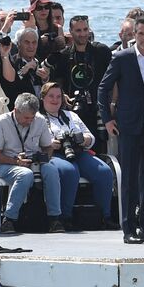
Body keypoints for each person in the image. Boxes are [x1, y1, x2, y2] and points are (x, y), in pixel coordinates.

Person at [98, 15, 144, 244]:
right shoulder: (122, 58)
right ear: (134, 35)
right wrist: (108, 120)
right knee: (128, 178)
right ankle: (128, 229)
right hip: (128, 125)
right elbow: (103, 88)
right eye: (141, 34)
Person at [39, 82, 114, 229]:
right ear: (42, 98)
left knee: (104, 172)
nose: (55, 100)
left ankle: (104, 216)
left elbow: (91, 138)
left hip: (78, 151)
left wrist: (84, 139)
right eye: (51, 96)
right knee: (70, 171)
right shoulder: (37, 118)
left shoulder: (71, 115)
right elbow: (33, 142)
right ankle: (65, 217)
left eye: (58, 97)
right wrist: (50, 144)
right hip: (55, 153)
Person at [0, 92, 61, 234]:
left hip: (33, 162)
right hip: (7, 163)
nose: (29, 121)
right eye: (26, 118)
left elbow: (48, 147)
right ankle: (9, 219)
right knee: (25, 174)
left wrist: (43, 158)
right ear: (16, 110)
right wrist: (16, 161)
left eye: (32, 118)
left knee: (51, 170)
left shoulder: (39, 120)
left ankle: (55, 218)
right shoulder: (2, 122)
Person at [49, 14, 112, 153]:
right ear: (70, 32)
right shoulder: (64, 56)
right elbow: (55, 82)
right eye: (78, 30)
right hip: (74, 111)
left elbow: (115, 80)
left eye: (85, 29)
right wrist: (63, 95)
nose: (83, 34)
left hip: (98, 110)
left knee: (100, 149)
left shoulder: (101, 52)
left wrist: (112, 104)